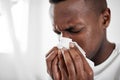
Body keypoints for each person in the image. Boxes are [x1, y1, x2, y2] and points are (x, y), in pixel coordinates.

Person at [46, 0, 120, 80]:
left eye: (74, 30)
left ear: (105, 19)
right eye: (58, 33)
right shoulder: (58, 71)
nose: (63, 43)